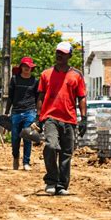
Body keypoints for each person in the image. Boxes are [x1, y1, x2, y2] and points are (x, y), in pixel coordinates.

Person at [32, 42, 87, 196]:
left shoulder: (76, 75)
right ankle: (51, 180)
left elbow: (82, 97)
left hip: (69, 119)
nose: (59, 55)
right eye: (57, 52)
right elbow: (41, 96)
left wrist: (84, 118)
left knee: (66, 154)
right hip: (50, 117)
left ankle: (61, 185)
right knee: (50, 146)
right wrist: (38, 117)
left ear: (69, 56)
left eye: (63, 53)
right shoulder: (46, 74)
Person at [5, 57, 39, 171]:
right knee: (15, 139)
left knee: (28, 137)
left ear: (31, 68)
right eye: (24, 66)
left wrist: (38, 114)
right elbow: (10, 97)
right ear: (21, 67)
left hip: (30, 112)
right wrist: (6, 112)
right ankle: (15, 157)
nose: (26, 68)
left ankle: (26, 162)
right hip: (16, 112)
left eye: (29, 66)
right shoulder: (14, 79)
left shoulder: (35, 81)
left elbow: (38, 98)